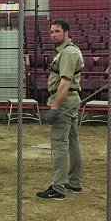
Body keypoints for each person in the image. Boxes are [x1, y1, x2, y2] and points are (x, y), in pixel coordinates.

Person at [36, 19, 84, 201]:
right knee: (72, 142)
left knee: (59, 145)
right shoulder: (69, 51)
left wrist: (55, 107)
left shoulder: (68, 53)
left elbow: (64, 83)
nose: (53, 35)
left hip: (64, 102)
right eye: (51, 32)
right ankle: (74, 183)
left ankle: (58, 188)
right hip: (70, 101)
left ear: (67, 33)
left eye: (57, 31)